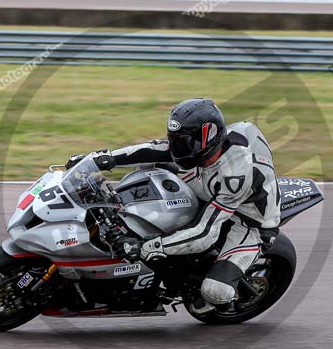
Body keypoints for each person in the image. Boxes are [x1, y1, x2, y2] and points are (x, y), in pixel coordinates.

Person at [65, 98, 281, 314]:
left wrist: (150, 247)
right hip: (208, 181)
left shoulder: (235, 177)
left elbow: (205, 233)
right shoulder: (210, 148)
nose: (177, 148)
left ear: (209, 137)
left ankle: (227, 295)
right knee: (151, 170)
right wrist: (104, 158)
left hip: (247, 222)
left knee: (215, 292)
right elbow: (156, 148)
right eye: (176, 140)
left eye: (184, 142)